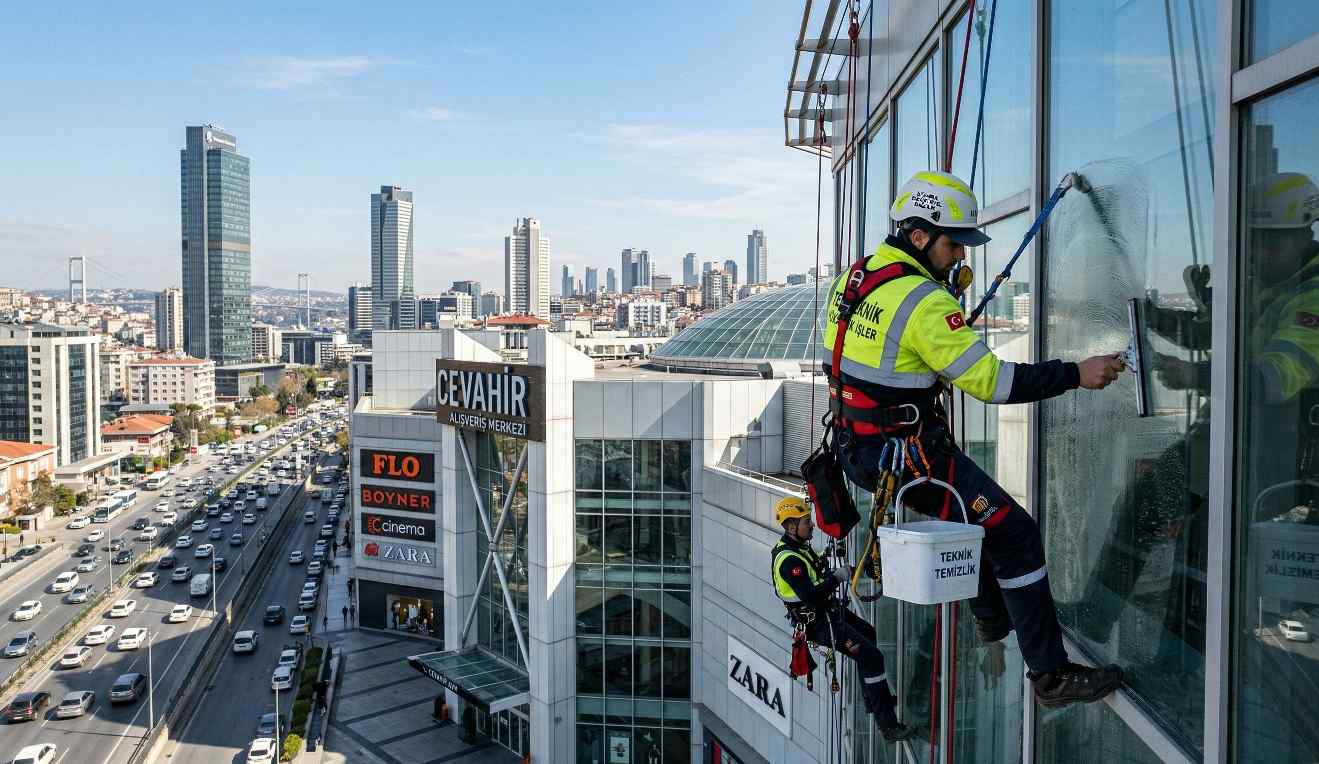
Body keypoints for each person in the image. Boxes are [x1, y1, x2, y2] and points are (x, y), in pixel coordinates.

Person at [822, 170, 1126, 708]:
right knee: (1015, 533)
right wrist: (1077, 373)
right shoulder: (925, 302)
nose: (960, 257)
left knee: (976, 515)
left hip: (857, 446)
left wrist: (931, 342)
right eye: (952, 243)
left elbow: (865, 360)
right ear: (918, 237)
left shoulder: (857, 280)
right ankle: (1051, 676)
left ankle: (991, 616)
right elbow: (994, 383)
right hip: (906, 455)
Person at [770, 497, 917, 743]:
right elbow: (812, 596)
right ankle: (889, 726)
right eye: (807, 522)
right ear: (791, 526)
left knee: (869, 633)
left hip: (828, 613)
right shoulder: (789, 561)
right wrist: (837, 577)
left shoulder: (798, 547)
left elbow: (815, 570)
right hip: (819, 623)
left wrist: (832, 566)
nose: (812, 525)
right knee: (872, 657)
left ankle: (874, 699)